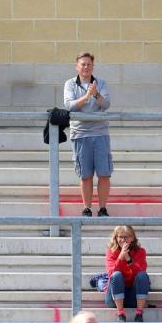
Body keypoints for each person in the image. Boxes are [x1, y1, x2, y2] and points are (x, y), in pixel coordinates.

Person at [64, 52, 113, 216]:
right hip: (80, 134)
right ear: (76, 66)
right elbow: (70, 106)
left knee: (104, 173)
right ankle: (87, 207)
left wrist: (96, 94)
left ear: (93, 66)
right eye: (83, 64)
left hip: (100, 133)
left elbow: (106, 104)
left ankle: (103, 208)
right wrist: (86, 96)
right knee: (85, 175)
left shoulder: (101, 83)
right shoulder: (70, 84)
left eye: (89, 64)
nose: (86, 67)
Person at [104, 226, 150, 322]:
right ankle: (120, 314)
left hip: (133, 296)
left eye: (127, 237)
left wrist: (129, 259)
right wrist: (120, 257)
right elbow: (111, 274)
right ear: (116, 238)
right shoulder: (111, 252)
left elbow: (141, 272)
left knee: (142, 275)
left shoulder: (140, 252)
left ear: (132, 238)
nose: (123, 240)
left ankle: (139, 314)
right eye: (120, 237)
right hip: (114, 298)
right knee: (116, 275)